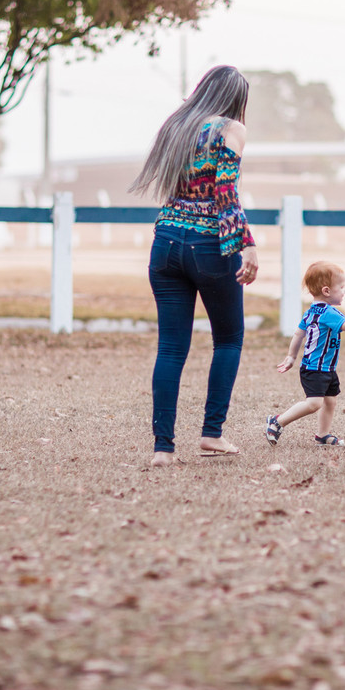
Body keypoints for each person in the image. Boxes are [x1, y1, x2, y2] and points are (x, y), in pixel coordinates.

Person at [129, 65, 258, 467]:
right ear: (236, 99)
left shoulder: (177, 125)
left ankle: (162, 449)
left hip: (165, 242)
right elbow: (225, 192)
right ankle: (211, 434)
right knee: (228, 339)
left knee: (170, 348)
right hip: (208, 245)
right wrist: (247, 244)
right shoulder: (230, 129)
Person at [266, 261, 345, 447]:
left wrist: (291, 356)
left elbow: (298, 334)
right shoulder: (328, 313)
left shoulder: (311, 311)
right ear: (326, 291)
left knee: (330, 401)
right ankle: (277, 421)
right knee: (314, 403)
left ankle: (322, 435)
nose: (344, 291)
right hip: (315, 368)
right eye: (341, 287)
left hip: (326, 368)